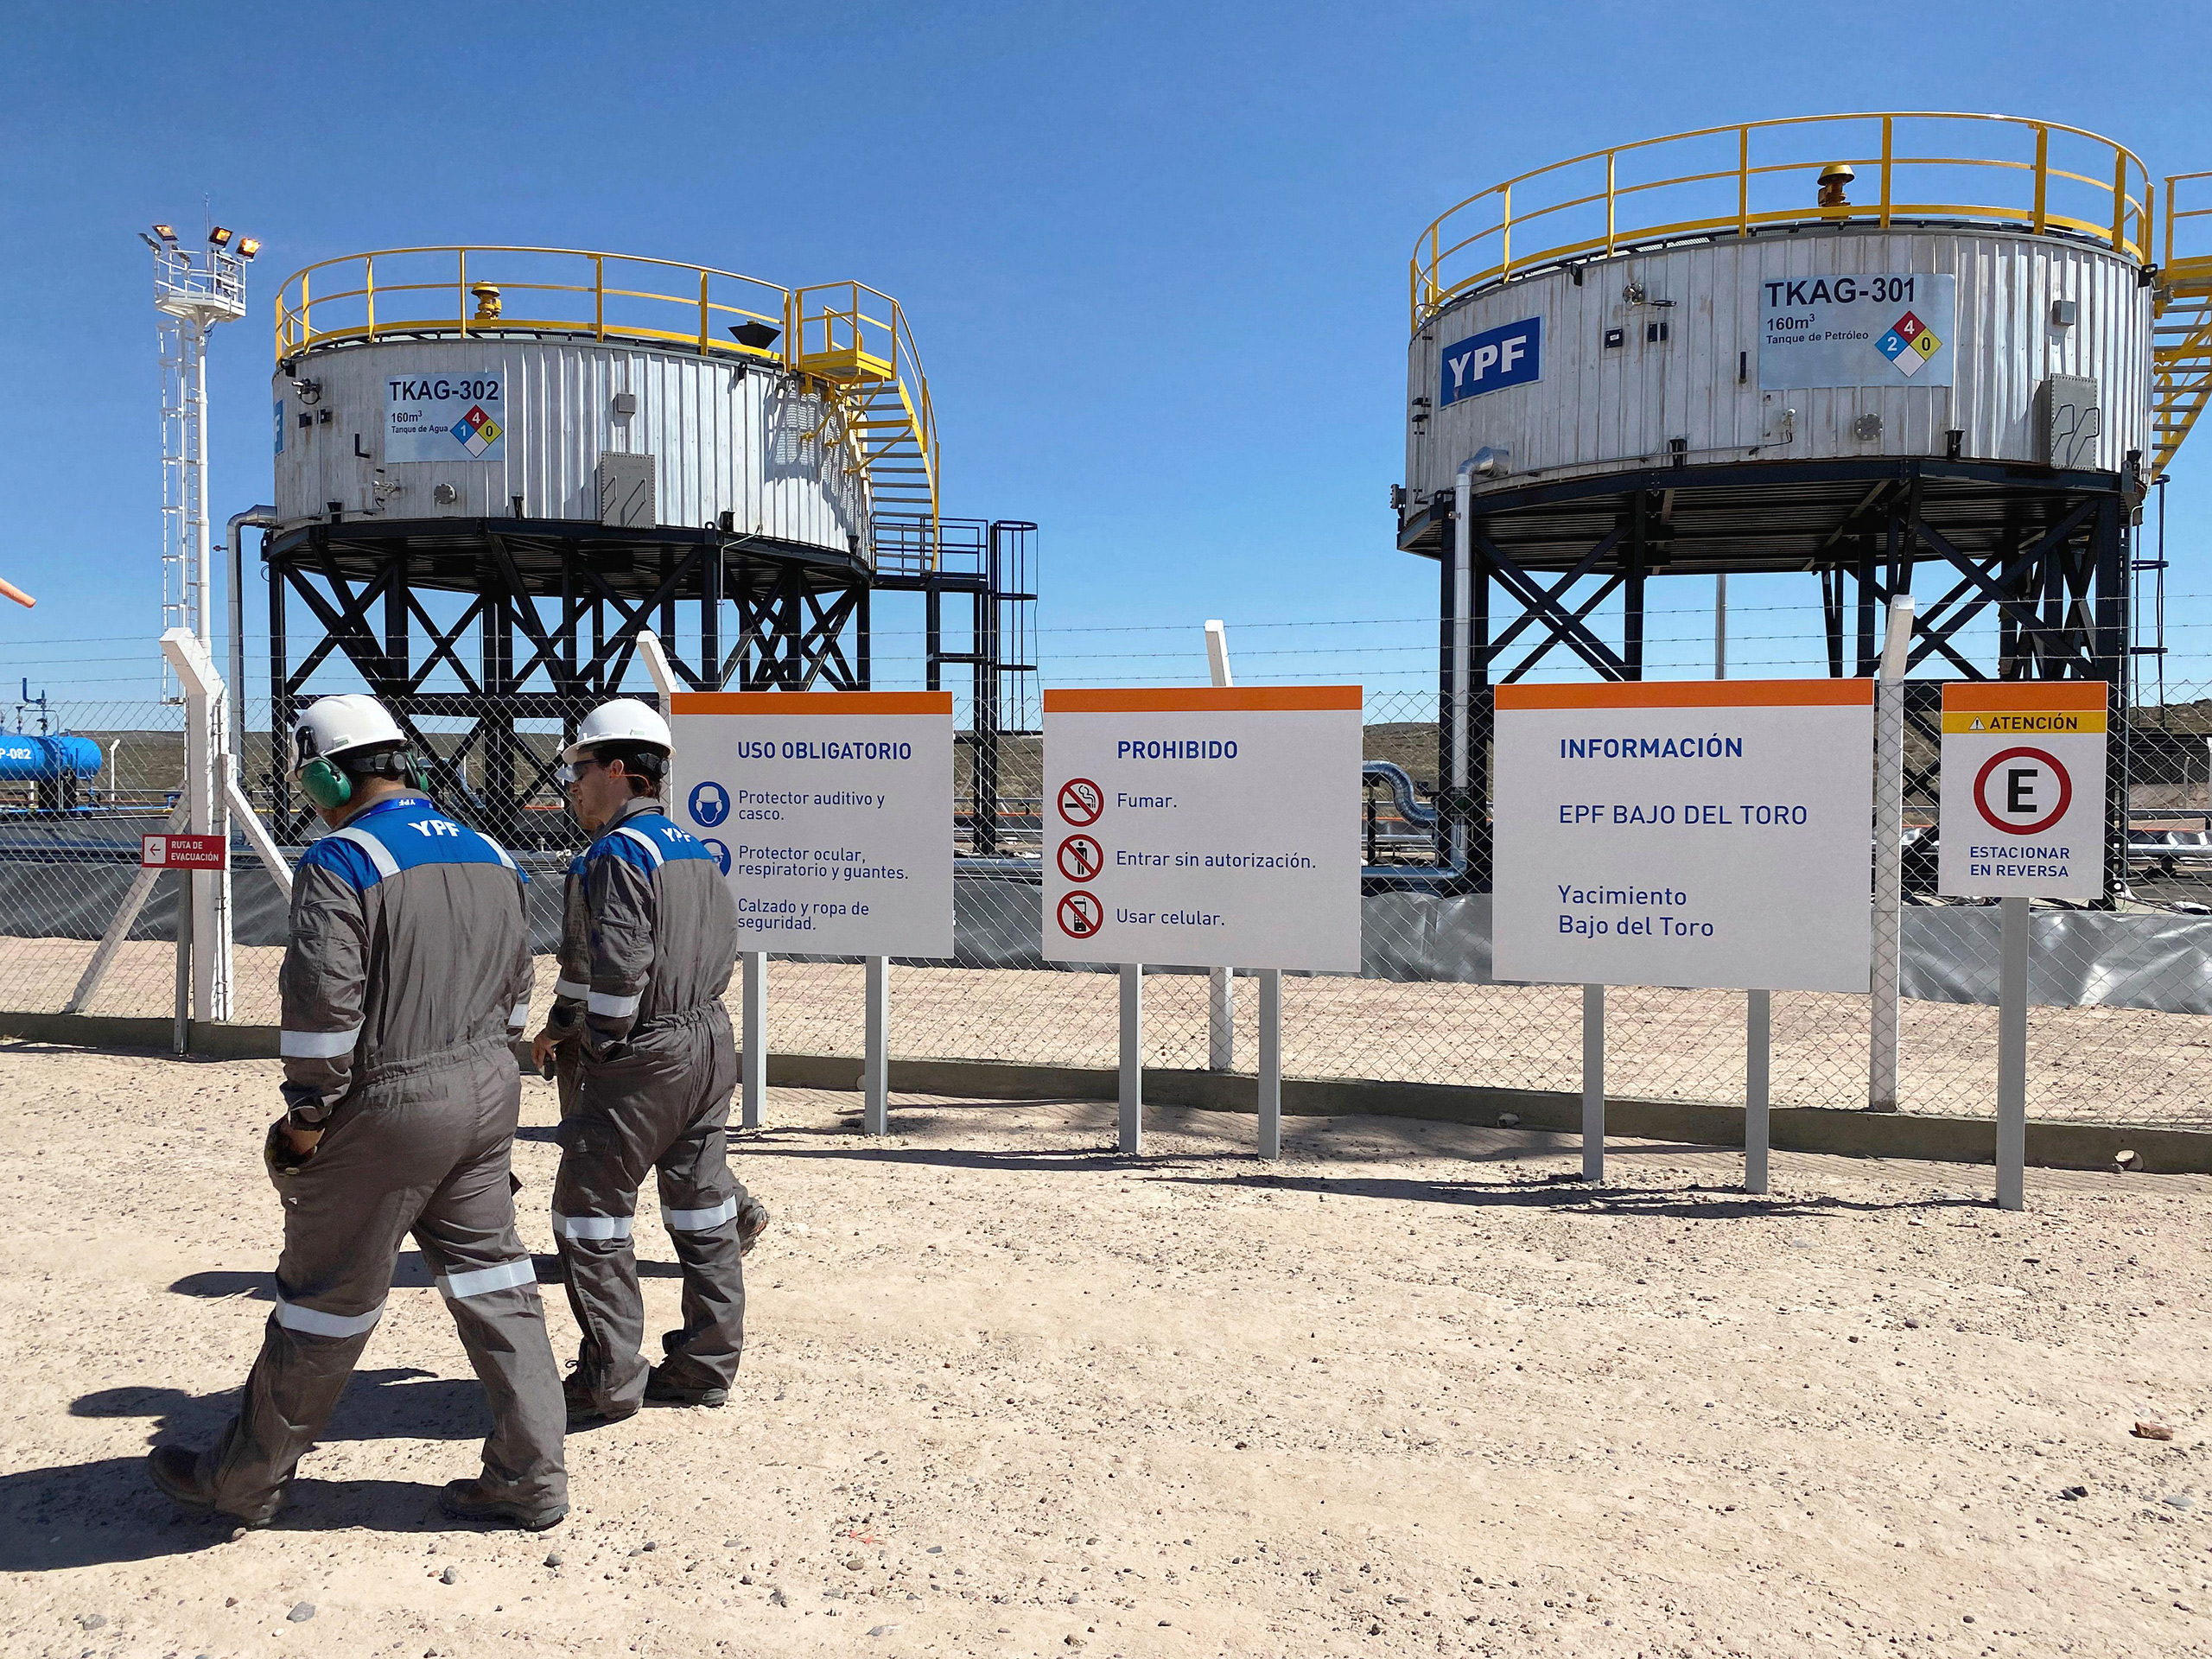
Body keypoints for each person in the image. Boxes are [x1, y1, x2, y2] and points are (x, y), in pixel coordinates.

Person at [147, 694, 568, 1531]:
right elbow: (520, 986)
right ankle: (532, 1477)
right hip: (488, 1093)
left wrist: (307, 1118)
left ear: (329, 770)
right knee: (495, 1282)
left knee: (324, 1298)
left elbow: (321, 1008)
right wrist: (490, 1058)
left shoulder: (341, 860)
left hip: (389, 1104)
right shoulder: (491, 851)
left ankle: (243, 1480)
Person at [531, 697, 766, 1428]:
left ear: (621, 771)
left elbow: (613, 969)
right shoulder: (694, 849)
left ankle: (608, 1376)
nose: (571, 783)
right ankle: (704, 1364)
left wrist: (591, 1045)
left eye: (580, 767)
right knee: (701, 1207)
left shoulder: (613, 856)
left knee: (589, 1214)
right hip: (709, 1041)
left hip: (646, 1054)